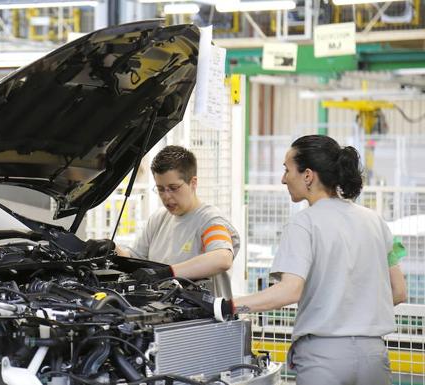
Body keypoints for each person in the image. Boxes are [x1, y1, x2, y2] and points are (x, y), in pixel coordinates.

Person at [216, 135, 407, 385]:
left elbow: (288, 292)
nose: (284, 178)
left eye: (287, 170)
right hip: (374, 354)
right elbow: (399, 291)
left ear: (308, 175)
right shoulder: (375, 221)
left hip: (323, 357)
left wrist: (227, 306)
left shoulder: (304, 223)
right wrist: (354, 314)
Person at [115, 145, 240, 290]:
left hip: (204, 312)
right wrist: (112, 249)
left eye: (173, 188)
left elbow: (222, 258)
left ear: (193, 183)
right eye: (161, 189)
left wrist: (167, 273)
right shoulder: (158, 219)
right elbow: (133, 259)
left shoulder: (210, 220)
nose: (166, 196)